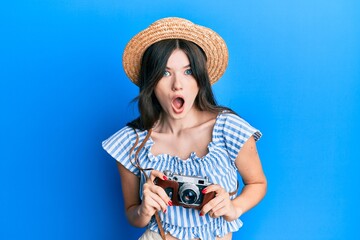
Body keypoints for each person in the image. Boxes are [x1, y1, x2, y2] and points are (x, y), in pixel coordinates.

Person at [102, 17, 267, 240]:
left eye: (188, 71)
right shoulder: (130, 142)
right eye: (165, 72)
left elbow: (257, 183)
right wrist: (144, 209)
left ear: (200, 78)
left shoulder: (229, 128)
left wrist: (233, 208)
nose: (177, 84)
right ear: (151, 81)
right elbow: (133, 215)